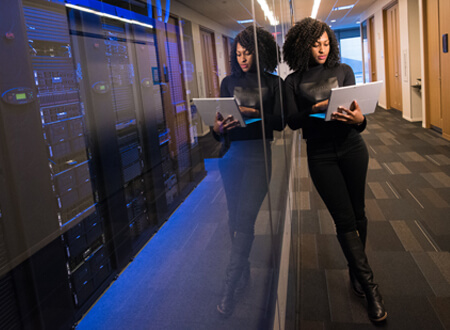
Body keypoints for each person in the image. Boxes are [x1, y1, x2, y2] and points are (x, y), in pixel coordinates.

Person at [283, 17, 387, 322]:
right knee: (343, 219)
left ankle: (356, 271)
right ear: (303, 45)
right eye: (316, 44)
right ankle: (371, 290)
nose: (322, 49)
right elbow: (291, 121)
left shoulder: (344, 71)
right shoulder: (293, 81)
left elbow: (359, 116)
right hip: (320, 155)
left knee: (359, 213)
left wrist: (360, 120)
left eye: (326, 43)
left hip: (353, 148)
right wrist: (313, 110)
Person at [212, 25, 284, 317]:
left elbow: (280, 123)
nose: (243, 58)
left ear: (259, 51)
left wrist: (253, 113)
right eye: (238, 53)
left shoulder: (272, 82)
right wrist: (217, 129)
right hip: (232, 157)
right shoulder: (227, 82)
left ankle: (229, 287)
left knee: (245, 219)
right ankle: (243, 272)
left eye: (248, 52)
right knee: (233, 219)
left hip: (258, 158)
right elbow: (219, 129)